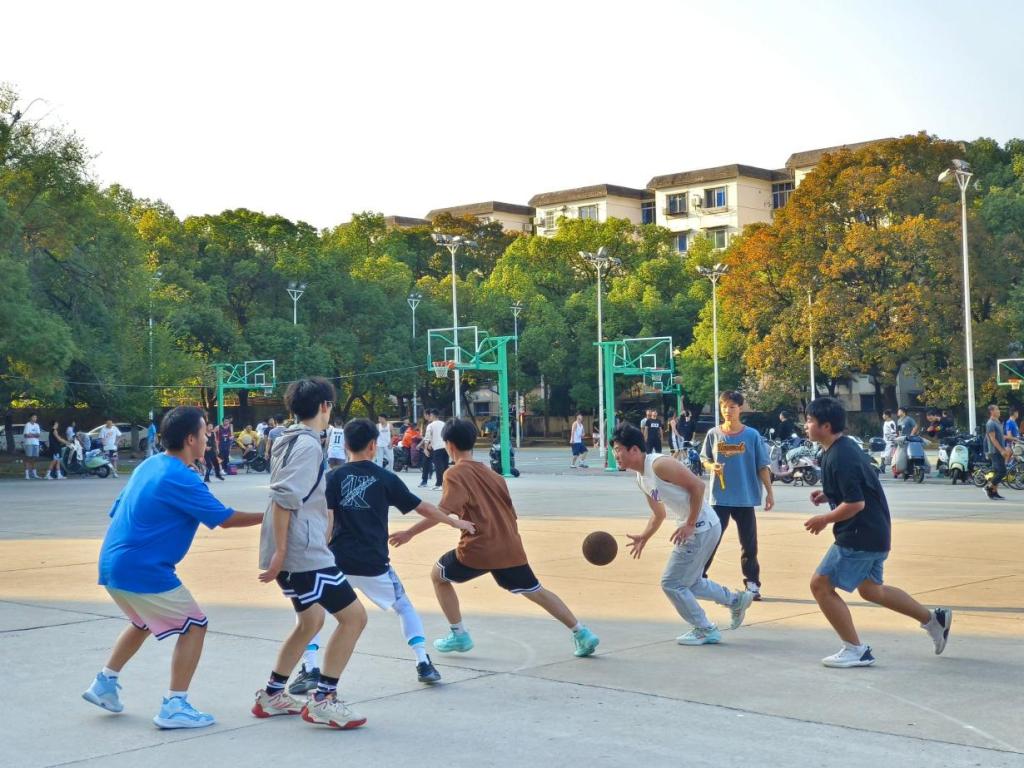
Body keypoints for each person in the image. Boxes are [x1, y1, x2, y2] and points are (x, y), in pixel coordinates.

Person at [81, 406, 263, 727]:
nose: (208, 438)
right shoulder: (180, 477)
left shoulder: (150, 465)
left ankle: (104, 683)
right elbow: (225, 519)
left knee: (143, 622)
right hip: (143, 567)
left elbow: (117, 510)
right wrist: (271, 516)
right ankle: (174, 706)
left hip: (112, 563)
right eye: (205, 433)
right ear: (191, 438)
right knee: (195, 626)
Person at [290, 418, 475, 695]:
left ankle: (310, 667)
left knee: (312, 612)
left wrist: (319, 554)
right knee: (404, 607)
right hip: (374, 563)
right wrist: (454, 522)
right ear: (373, 446)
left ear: (345, 445)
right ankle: (423, 662)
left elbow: (326, 520)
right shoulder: (384, 477)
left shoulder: (333, 478)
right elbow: (423, 507)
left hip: (337, 561)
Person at [391, 418, 600, 658]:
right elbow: (511, 513)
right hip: (510, 548)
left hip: (478, 549)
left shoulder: (454, 473)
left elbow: (442, 512)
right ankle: (581, 632)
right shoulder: (495, 475)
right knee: (536, 590)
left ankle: (459, 634)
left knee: (438, 576)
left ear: (449, 445)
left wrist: (409, 533)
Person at [803, 397, 951, 667]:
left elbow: (856, 504)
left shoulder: (840, 456)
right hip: (875, 531)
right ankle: (933, 620)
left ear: (826, 426)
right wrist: (829, 494)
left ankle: (855, 650)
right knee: (872, 590)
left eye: (810, 421)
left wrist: (824, 519)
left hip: (859, 534)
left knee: (820, 585)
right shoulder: (841, 448)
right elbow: (859, 488)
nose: (806, 425)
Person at [254, 378, 367, 729]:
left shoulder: (286, 439)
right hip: (303, 552)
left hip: (294, 548)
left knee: (311, 621)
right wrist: (282, 553)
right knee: (354, 618)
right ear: (324, 406)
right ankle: (323, 700)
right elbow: (285, 497)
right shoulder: (307, 445)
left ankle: (272, 694)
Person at [613, 423, 753, 645]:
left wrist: (689, 524)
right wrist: (644, 536)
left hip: (700, 528)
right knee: (690, 583)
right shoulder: (641, 478)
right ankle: (736, 600)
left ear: (635, 450)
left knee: (671, 583)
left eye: (618, 449)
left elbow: (698, 486)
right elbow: (658, 514)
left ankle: (705, 629)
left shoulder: (659, 465)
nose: (615, 455)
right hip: (702, 528)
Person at [701, 391, 773, 600]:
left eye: (732, 406)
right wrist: (711, 466)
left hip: (744, 498)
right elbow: (705, 459)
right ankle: (698, 577)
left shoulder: (752, 435)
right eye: (724, 406)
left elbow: (762, 465)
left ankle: (752, 583)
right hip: (720, 498)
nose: (727, 410)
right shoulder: (713, 434)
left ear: (740, 408)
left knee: (749, 544)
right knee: (711, 539)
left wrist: (769, 492)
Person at [983, 404, 1012, 501]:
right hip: (995, 451)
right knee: (1002, 471)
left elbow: (1000, 436)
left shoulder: (997, 422)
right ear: (992, 411)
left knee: (997, 472)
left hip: (999, 450)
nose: (999, 411)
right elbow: (993, 439)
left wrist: (1011, 440)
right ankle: (988, 487)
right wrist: (1002, 450)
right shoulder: (990, 423)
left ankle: (994, 492)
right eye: (997, 409)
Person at [423, 409, 448, 490]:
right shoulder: (444, 424)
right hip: (446, 447)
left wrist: (425, 448)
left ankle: (439, 484)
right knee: (445, 466)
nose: (429, 417)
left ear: (432, 415)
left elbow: (427, 437)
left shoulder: (430, 425)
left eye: (430, 415)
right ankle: (446, 484)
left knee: (438, 466)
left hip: (437, 448)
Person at [23, 413, 42, 479]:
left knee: (34, 459)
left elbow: (38, 435)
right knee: (28, 458)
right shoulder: (27, 425)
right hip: (29, 443)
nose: (35, 418)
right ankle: (27, 474)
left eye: (36, 417)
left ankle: (34, 474)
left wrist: (31, 434)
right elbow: (26, 435)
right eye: (34, 417)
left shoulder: (37, 425)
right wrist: (34, 435)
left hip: (36, 443)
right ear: (30, 418)